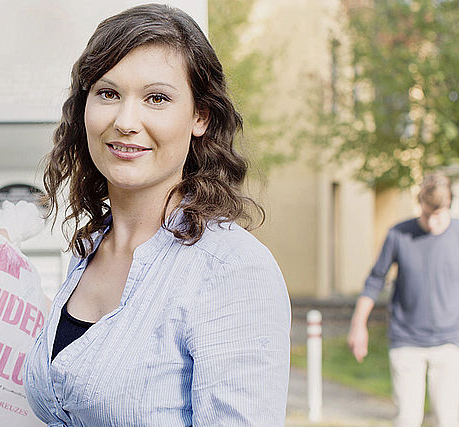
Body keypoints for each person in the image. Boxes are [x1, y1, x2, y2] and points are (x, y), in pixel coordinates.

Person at [23, 4, 290, 425]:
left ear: (200, 116)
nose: (126, 121)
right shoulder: (89, 249)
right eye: (108, 93)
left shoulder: (232, 269)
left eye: (157, 98)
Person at [346, 173, 459, 427]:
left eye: (438, 216)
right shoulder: (399, 234)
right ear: (420, 205)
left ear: (448, 206)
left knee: (448, 419)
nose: (431, 222)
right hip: (406, 341)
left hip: (450, 341)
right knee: (407, 419)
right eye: (426, 214)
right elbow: (375, 279)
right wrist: (358, 325)